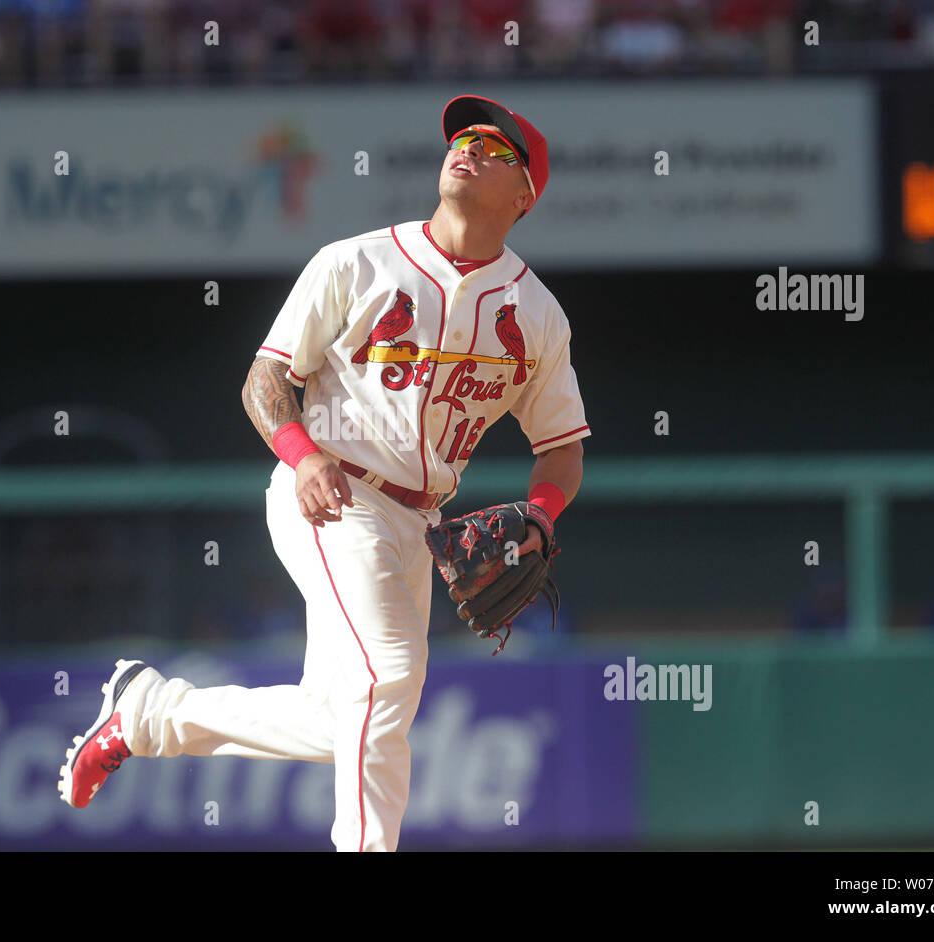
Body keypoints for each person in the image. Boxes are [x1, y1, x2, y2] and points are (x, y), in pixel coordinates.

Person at [59, 94, 591, 851]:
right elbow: (265, 381)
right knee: (389, 678)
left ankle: (148, 715)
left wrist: (541, 515)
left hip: (423, 524)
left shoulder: (537, 314)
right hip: (334, 494)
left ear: (523, 193)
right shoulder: (356, 261)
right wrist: (302, 456)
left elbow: (562, 445)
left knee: (352, 713)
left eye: (494, 148)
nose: (467, 149)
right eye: (463, 138)